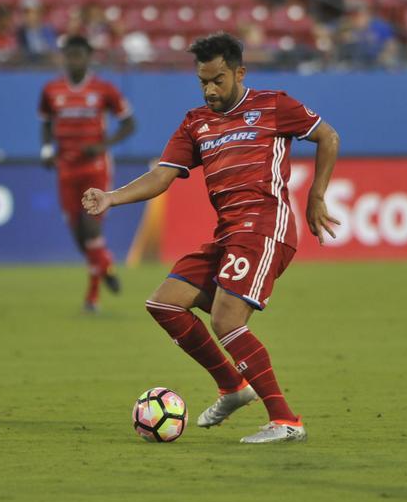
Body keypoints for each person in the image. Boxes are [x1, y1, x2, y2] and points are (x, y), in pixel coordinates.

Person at [81, 32, 340, 444]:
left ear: (240, 72)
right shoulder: (195, 122)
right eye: (203, 81)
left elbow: (328, 136)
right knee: (164, 302)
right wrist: (112, 197)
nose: (210, 90)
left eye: (218, 79)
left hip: (264, 227)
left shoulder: (274, 105)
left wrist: (317, 197)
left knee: (226, 319)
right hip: (227, 236)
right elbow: (162, 176)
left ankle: (286, 421)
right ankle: (233, 386)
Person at [39, 35, 136, 311]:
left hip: (95, 168)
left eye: (79, 55)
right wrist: (46, 150)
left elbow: (130, 123)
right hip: (66, 168)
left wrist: (103, 146)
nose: (74, 60)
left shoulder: (104, 89)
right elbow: (46, 122)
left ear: (88, 57)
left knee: (91, 226)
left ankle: (93, 295)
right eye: (70, 55)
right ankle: (105, 265)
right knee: (79, 237)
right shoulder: (52, 89)